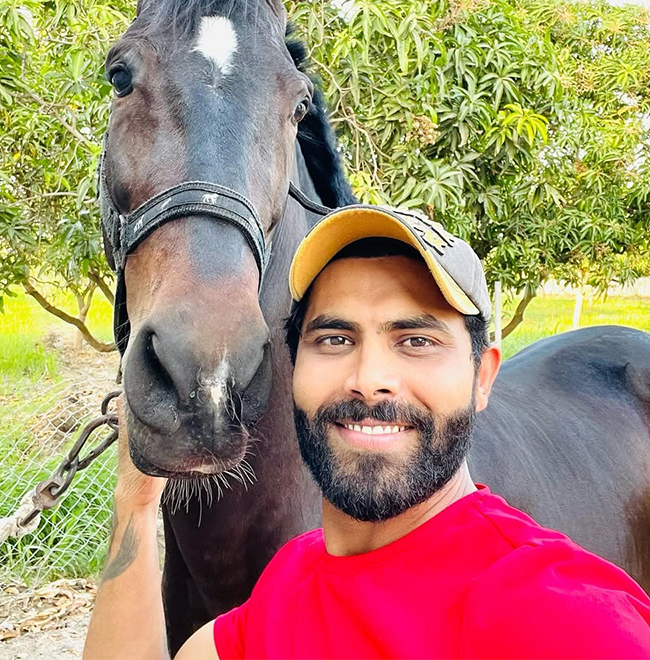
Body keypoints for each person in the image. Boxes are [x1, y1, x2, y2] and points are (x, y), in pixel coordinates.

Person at [83, 204, 650, 660]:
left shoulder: (569, 621)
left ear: (482, 377)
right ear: (293, 369)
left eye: (416, 340)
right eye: (334, 339)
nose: (370, 380)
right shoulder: (291, 581)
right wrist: (135, 500)